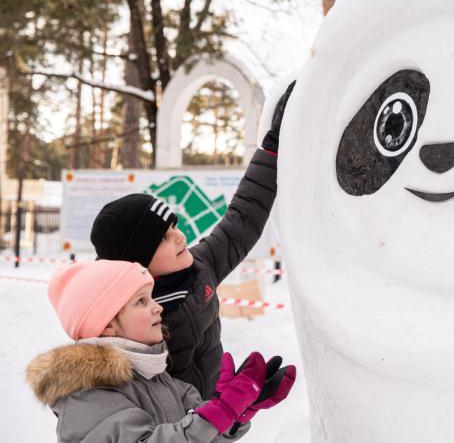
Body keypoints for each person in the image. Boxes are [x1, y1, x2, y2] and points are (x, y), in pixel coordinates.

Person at [89, 82, 295, 398]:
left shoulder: (200, 267)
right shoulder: (129, 324)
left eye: (175, 226)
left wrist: (272, 148)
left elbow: (242, 219)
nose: (180, 236)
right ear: (138, 263)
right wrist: (221, 413)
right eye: (164, 238)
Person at [26, 260, 295, 442]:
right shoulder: (86, 392)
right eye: (141, 301)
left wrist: (234, 414)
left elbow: (194, 435)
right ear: (107, 324)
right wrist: (219, 412)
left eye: (152, 297)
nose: (157, 307)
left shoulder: (157, 379)